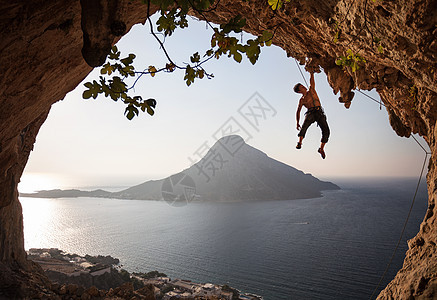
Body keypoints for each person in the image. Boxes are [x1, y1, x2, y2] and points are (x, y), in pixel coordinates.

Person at [294, 72, 330, 159]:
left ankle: (321, 148)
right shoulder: (302, 100)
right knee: (304, 127)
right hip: (310, 113)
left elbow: (312, 82)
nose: (304, 86)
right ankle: (299, 142)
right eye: (302, 87)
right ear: (299, 91)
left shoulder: (312, 90)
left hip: (319, 112)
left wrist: (311, 73)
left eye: (303, 85)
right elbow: (298, 111)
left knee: (326, 131)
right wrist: (297, 122)